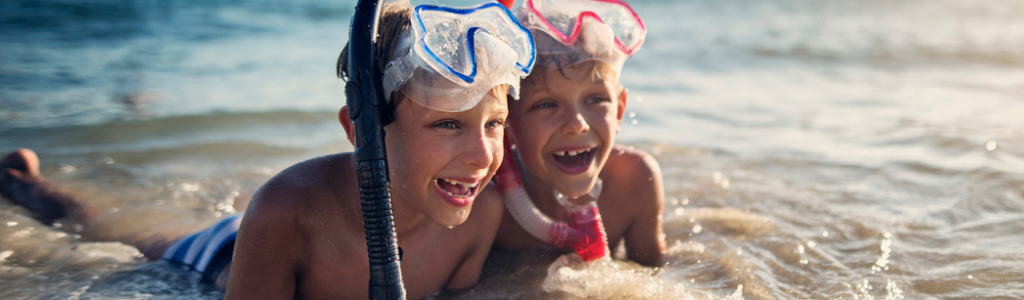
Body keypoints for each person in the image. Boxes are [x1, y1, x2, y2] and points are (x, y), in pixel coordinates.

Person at [0, 1, 537, 299]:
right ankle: (28, 185)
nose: (480, 154)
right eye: (448, 124)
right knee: (116, 231)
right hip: (219, 257)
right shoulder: (287, 209)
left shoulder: (480, 217)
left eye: (493, 123)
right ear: (361, 130)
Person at [492, 0, 666, 267]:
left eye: (596, 99)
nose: (577, 124)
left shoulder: (634, 182)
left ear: (619, 111)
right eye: (546, 105)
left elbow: (656, 272)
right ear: (506, 122)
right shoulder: (490, 208)